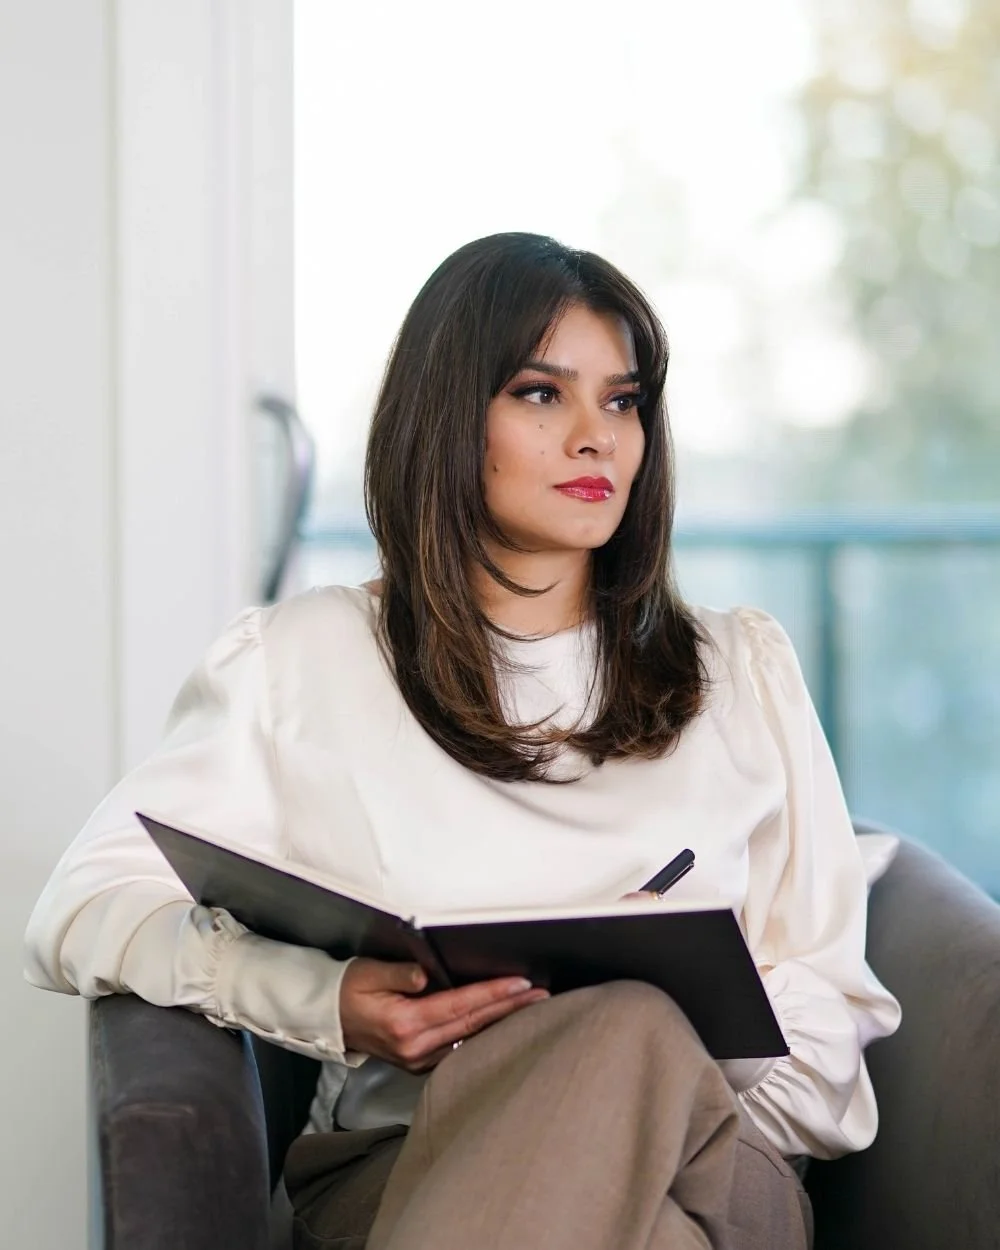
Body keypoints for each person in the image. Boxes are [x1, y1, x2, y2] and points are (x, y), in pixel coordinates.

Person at [24, 232, 900, 1250]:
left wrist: (646, 1041)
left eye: (622, 400)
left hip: (714, 1163)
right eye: (542, 393)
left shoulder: (738, 669)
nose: (596, 438)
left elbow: (833, 1048)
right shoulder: (306, 660)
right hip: (412, 1166)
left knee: (629, 1028)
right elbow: (78, 908)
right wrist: (327, 999)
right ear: (449, 417)